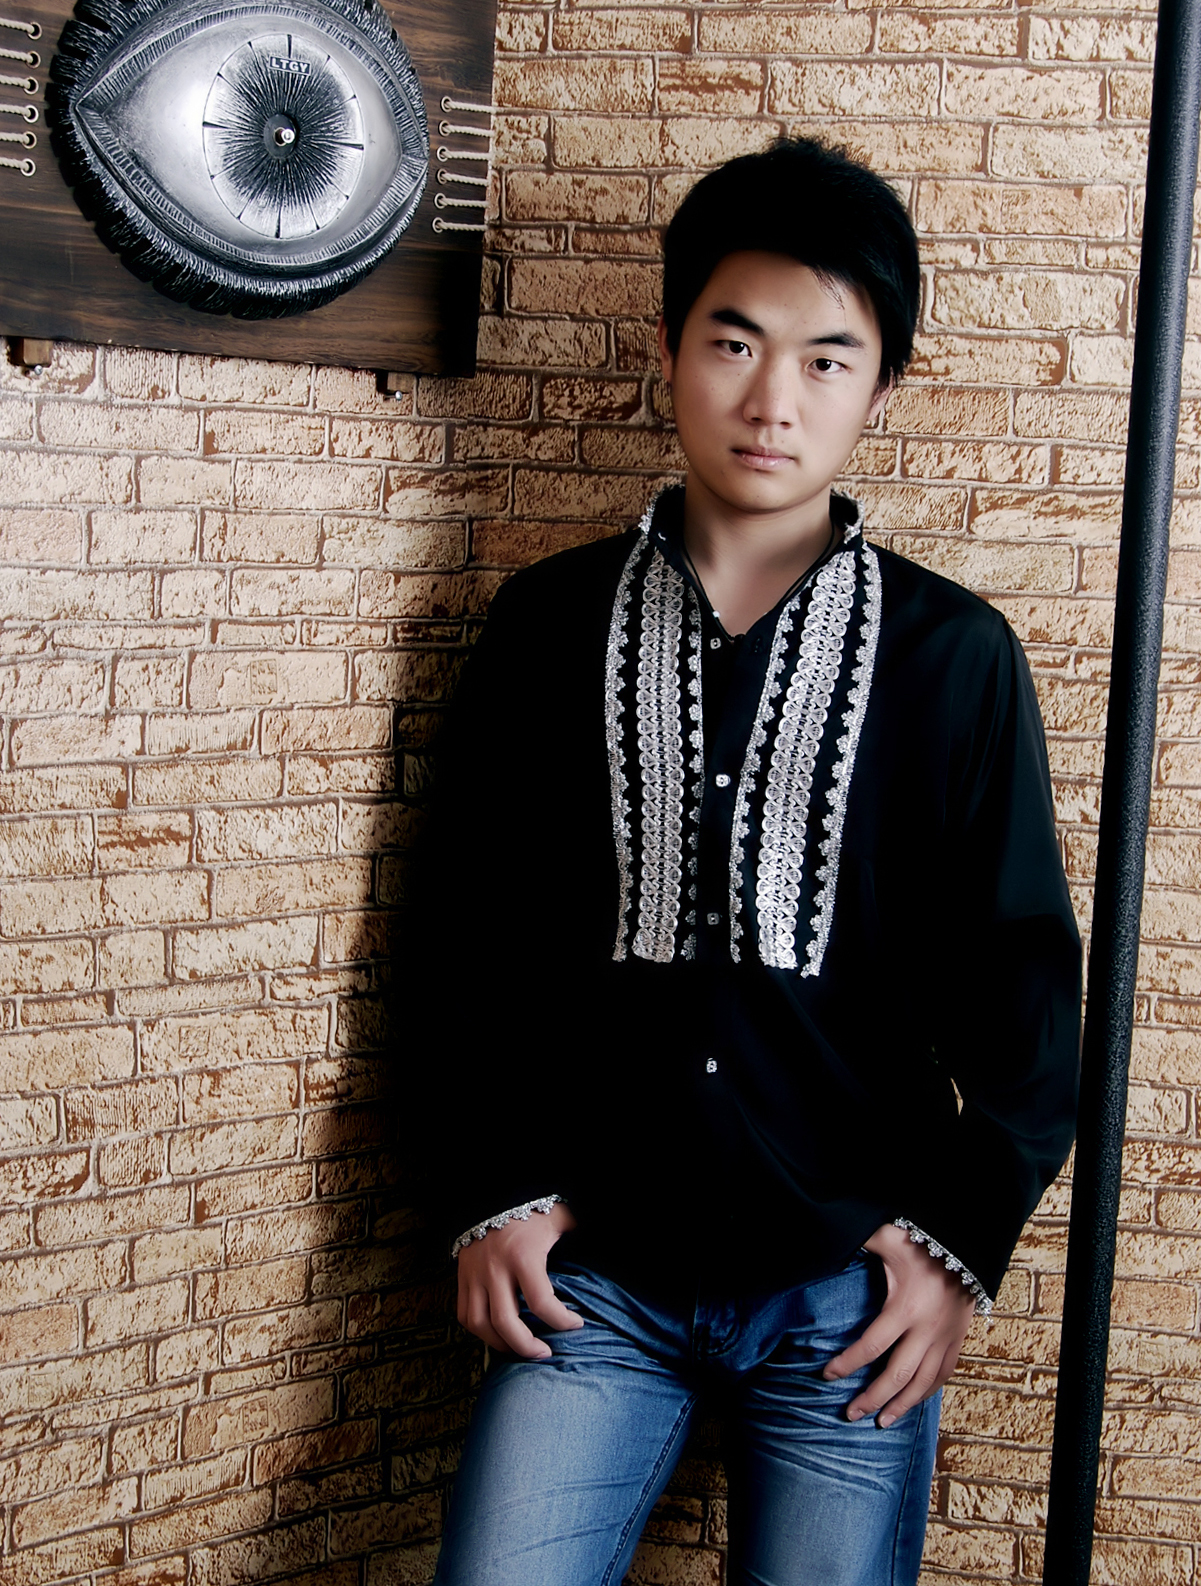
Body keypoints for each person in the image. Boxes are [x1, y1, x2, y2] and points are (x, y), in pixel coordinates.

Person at [418, 136, 1081, 1586]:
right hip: (594, 1280)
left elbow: (1028, 994)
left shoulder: (954, 657)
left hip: (845, 1293)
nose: (773, 400)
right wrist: (494, 1185)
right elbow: (462, 938)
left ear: (880, 389)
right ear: (669, 348)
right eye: (734, 342)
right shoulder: (546, 627)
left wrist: (955, 1241)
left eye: (827, 359)